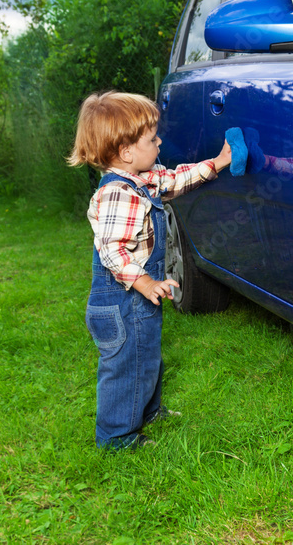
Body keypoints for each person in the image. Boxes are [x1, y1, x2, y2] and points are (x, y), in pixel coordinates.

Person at [67, 90, 231, 450]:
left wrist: (215, 163)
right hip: (121, 302)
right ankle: (116, 438)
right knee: (124, 367)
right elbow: (111, 250)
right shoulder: (117, 194)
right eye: (152, 139)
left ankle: (148, 411)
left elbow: (174, 180)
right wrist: (141, 280)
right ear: (126, 152)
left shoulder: (144, 179)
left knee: (146, 354)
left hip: (139, 300)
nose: (159, 142)